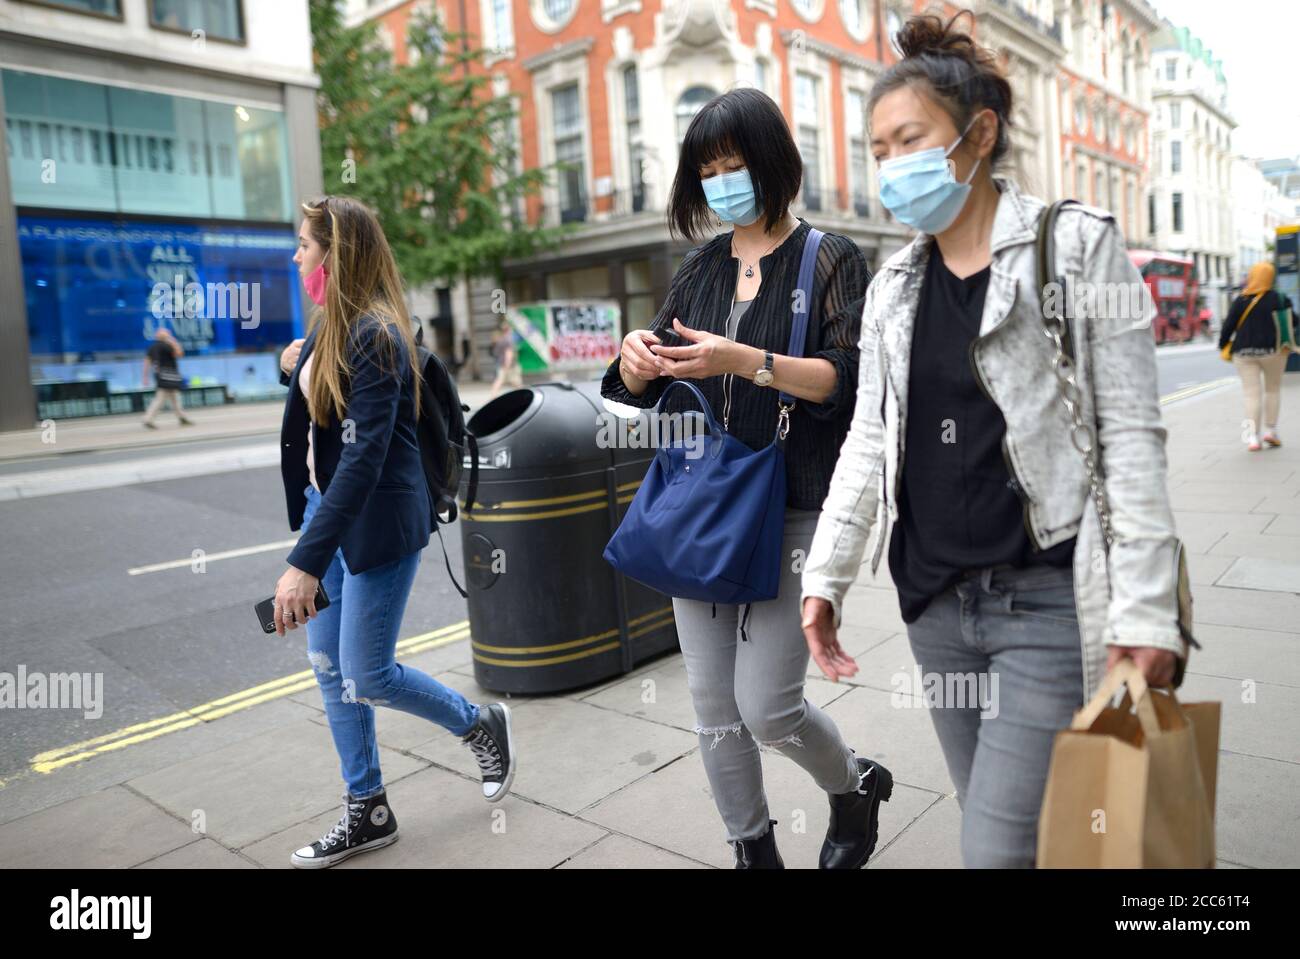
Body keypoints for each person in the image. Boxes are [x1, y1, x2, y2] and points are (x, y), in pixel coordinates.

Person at [799, 12, 1190, 868]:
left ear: (979, 134)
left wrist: (1148, 609)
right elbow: (870, 437)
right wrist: (825, 575)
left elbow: (1129, 438)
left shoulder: (1074, 248)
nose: (892, 164)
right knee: (1021, 826)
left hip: (1047, 603)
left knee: (991, 848)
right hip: (937, 608)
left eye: (911, 139)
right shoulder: (896, 284)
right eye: (877, 148)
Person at [600, 87, 887, 869]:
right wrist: (633, 361)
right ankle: (753, 851)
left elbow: (847, 382)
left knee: (766, 706)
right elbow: (645, 381)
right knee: (712, 705)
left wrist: (748, 362)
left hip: (792, 506)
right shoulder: (698, 270)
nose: (726, 180)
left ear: (773, 162)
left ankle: (854, 784)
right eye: (710, 168)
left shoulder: (828, 258)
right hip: (703, 506)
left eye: (736, 163)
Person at [276, 194, 516, 869]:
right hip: (332, 523)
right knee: (330, 669)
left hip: (375, 529)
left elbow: (363, 458)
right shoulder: (335, 324)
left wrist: (302, 562)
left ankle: (480, 724)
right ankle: (369, 807)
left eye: (305, 245)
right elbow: (327, 419)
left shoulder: (377, 333)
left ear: (336, 252)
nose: (297, 257)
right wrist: (292, 367)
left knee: (368, 672)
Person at [1219, 261, 1293, 450]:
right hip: (1273, 352)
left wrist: (1223, 345)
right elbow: (1293, 321)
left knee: (1250, 395)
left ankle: (1252, 438)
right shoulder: (1280, 299)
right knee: (1272, 390)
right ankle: (1271, 431)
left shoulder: (1241, 300)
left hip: (1243, 353)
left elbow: (1228, 326)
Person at [141, 327, 193, 428]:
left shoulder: (152, 347)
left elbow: (147, 362)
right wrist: (173, 341)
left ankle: (182, 417)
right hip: (169, 376)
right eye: (166, 333)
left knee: (174, 397)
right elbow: (179, 353)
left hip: (160, 375)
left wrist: (145, 376)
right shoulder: (167, 345)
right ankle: (148, 419)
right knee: (161, 398)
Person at [489, 318, 522, 397]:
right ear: (509, 330)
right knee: (515, 381)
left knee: (502, 380)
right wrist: (507, 365)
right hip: (509, 365)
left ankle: (493, 394)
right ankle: (523, 394)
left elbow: (496, 352)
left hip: (501, 363)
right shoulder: (508, 340)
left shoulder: (501, 340)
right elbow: (508, 353)